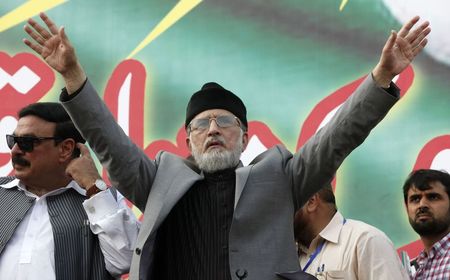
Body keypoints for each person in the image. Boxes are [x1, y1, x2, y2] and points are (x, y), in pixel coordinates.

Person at [23, 12, 430, 280]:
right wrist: (74, 76)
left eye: (225, 121)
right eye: (201, 123)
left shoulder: (279, 177)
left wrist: (381, 77)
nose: (213, 128)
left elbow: (338, 137)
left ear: (246, 136)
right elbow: (108, 140)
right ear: (187, 139)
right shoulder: (158, 180)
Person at [0, 102, 140, 280]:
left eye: (26, 142)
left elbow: (127, 259)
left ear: (66, 148)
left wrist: (93, 185)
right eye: (13, 141)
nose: (15, 151)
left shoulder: (103, 199)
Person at [294, 186, 409, 279]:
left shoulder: (365, 240)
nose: (277, 213)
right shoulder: (291, 255)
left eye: (282, 204)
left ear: (311, 202)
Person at [403, 169, 450, 280]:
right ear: (406, 208)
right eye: (415, 199)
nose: (422, 205)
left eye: (433, 197)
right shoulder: (413, 270)